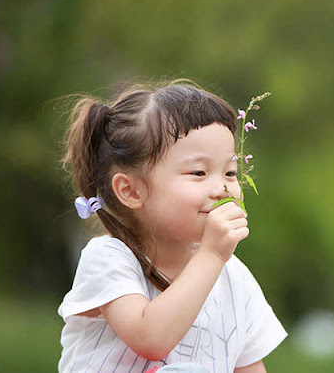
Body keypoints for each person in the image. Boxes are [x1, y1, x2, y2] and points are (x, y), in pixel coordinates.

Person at [57, 79, 287, 373]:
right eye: (199, 172)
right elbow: (151, 340)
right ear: (131, 191)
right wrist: (211, 255)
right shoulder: (108, 259)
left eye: (230, 172)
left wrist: (216, 258)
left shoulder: (234, 278)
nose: (222, 188)